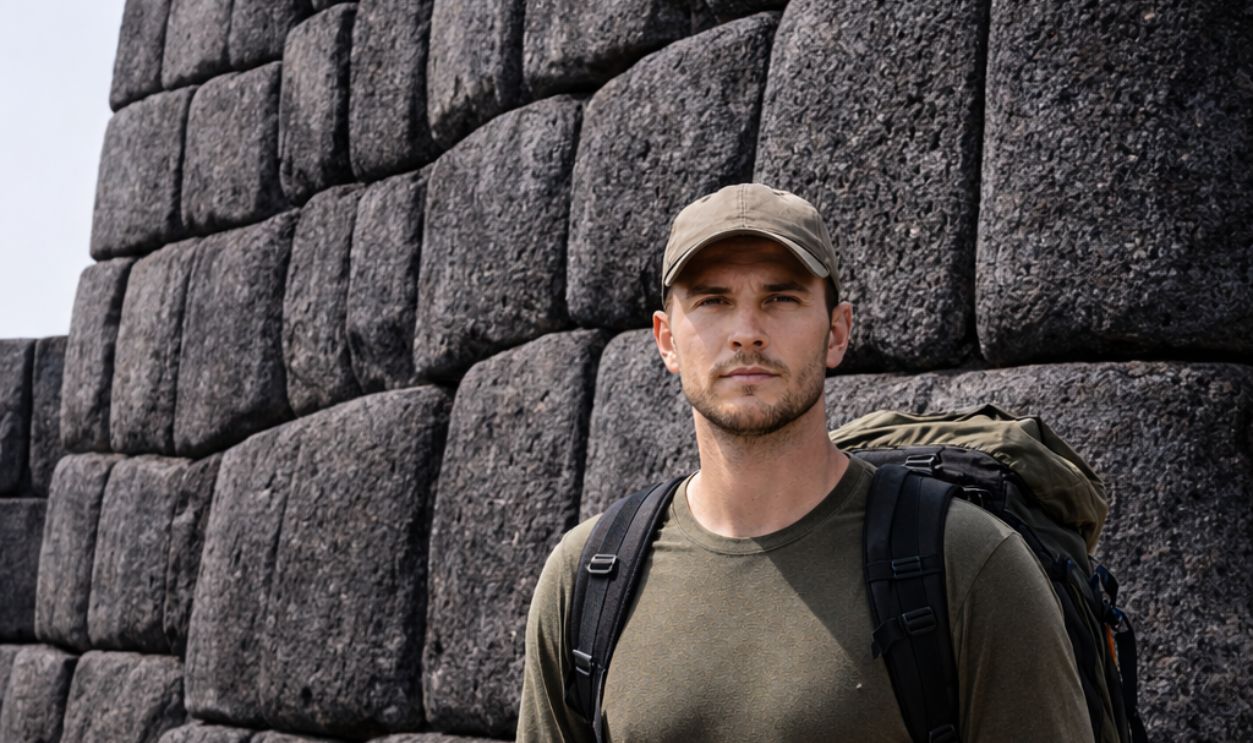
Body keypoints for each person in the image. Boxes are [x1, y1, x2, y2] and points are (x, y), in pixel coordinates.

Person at [517, 183, 1090, 742]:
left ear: (837, 333)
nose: (746, 334)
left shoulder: (969, 564)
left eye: (781, 298)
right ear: (666, 340)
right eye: (712, 301)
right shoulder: (585, 579)